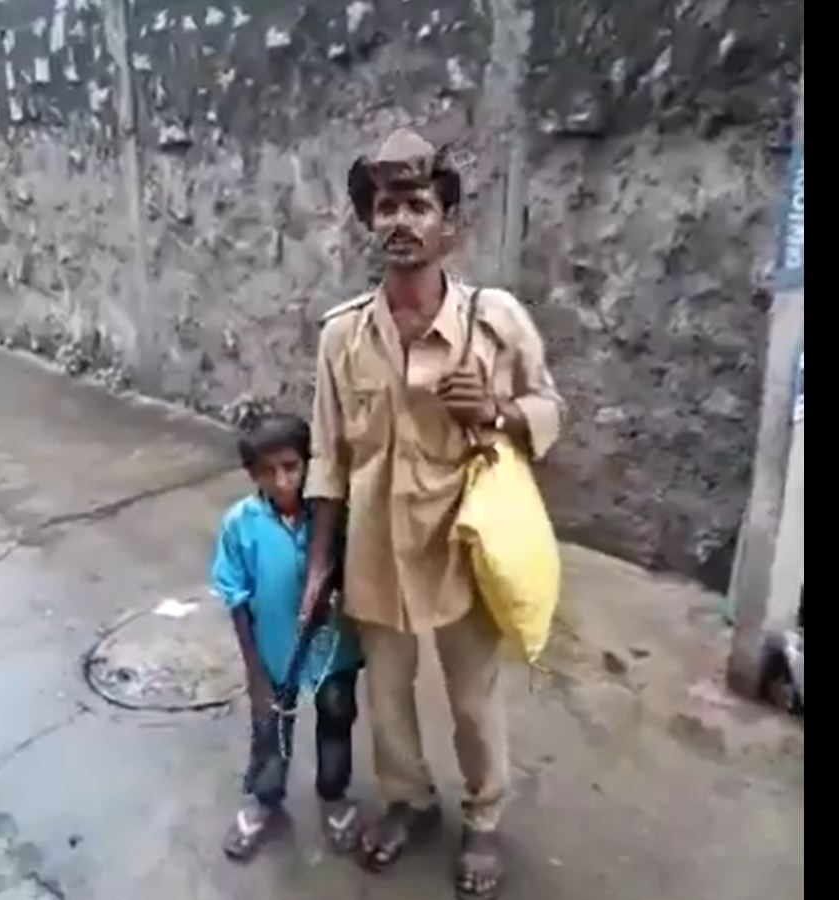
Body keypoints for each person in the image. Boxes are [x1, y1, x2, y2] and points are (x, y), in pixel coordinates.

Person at [298, 129, 564, 899]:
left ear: (450, 224)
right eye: (386, 206)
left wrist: (502, 410)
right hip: (377, 545)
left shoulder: (495, 320)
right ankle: (409, 799)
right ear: (369, 221)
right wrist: (320, 562)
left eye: (418, 204)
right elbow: (326, 456)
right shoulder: (341, 334)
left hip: (463, 542)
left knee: (473, 698)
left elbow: (550, 409)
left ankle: (484, 815)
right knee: (386, 696)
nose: (400, 221)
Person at [210, 412, 364, 861]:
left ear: (308, 465)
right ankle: (265, 802)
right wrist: (254, 671)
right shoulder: (239, 524)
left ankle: (334, 796)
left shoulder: (333, 514)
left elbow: (354, 569)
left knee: (337, 715)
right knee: (270, 727)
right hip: (275, 652)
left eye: (291, 467)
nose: (281, 480)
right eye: (267, 471)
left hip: (335, 648)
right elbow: (235, 597)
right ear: (252, 474)